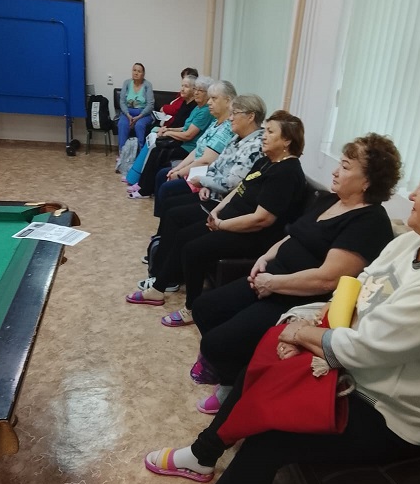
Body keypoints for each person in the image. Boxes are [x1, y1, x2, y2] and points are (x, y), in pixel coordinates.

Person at [123, 144, 420, 484]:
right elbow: (350, 294)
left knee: (272, 438)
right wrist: (304, 322)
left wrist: (301, 333)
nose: (413, 195)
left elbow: (363, 349)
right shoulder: (407, 245)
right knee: (262, 365)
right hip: (350, 368)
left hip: (387, 411)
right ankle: (202, 454)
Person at [188, 133, 402, 410]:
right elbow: (294, 234)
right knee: (205, 308)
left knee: (217, 343)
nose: (335, 171)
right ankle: (235, 372)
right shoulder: (330, 200)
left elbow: (327, 279)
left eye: (346, 166)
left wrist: (273, 283)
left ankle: (236, 383)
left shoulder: (369, 222)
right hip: (271, 278)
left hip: (296, 299)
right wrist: (265, 257)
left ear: (368, 181)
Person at [125, 111, 309, 328]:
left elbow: (262, 220)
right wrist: (218, 211)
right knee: (183, 235)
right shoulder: (266, 161)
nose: (264, 136)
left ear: (287, 140)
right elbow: (239, 189)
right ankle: (158, 289)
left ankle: (192, 309)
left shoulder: (287, 173)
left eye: (270, 132)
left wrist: (221, 224)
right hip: (231, 220)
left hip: (254, 235)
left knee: (193, 249)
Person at [152, 93, 266, 219]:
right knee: (169, 199)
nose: (230, 118)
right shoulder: (233, 135)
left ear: (250, 117)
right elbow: (215, 164)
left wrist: (199, 180)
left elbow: (228, 181)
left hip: (222, 202)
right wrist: (205, 185)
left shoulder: (254, 145)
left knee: (171, 204)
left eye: (234, 113)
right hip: (209, 190)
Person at [129, 76, 215, 198]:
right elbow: (185, 128)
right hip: (184, 144)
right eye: (195, 89)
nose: (196, 92)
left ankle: (145, 190)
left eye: (200, 90)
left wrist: (168, 133)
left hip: (190, 147)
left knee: (159, 152)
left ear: (208, 94)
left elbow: (188, 135)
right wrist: (168, 129)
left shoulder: (205, 111)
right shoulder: (198, 107)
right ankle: (144, 185)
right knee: (156, 149)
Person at [118, 63, 154, 150]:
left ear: (143, 74)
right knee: (122, 124)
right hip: (127, 113)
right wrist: (128, 115)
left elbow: (150, 105)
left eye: (139, 71)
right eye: (134, 70)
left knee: (139, 125)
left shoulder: (147, 85)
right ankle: (122, 152)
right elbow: (122, 102)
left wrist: (138, 117)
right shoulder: (126, 83)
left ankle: (140, 151)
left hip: (143, 114)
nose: (136, 73)